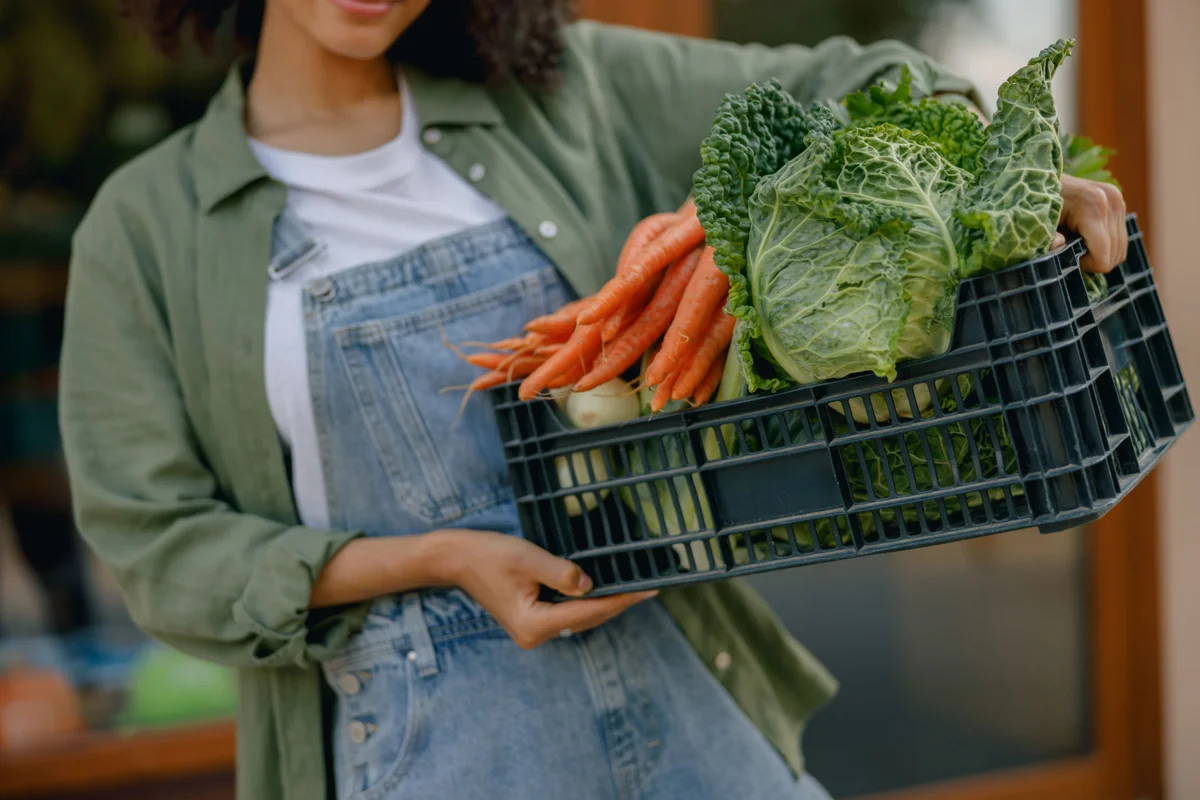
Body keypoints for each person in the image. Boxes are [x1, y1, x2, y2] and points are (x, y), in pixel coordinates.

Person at [59, 2, 1128, 799]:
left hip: (684, 696)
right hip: (435, 746)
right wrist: (441, 557)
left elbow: (861, 76)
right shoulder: (149, 226)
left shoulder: (567, 95)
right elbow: (157, 544)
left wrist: (995, 172)